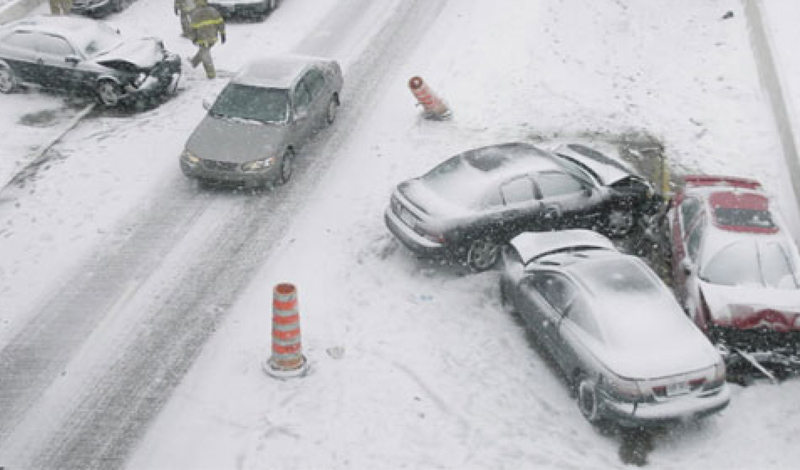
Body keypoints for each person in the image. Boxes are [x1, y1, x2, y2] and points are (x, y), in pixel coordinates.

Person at [187, 0, 225, 79]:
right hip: (213, 37)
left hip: (202, 38)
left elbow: (192, 28)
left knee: (205, 55)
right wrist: (222, 34)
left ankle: (211, 74)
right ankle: (193, 63)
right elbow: (220, 22)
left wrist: (193, 38)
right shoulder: (213, 11)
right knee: (204, 51)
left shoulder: (195, 14)